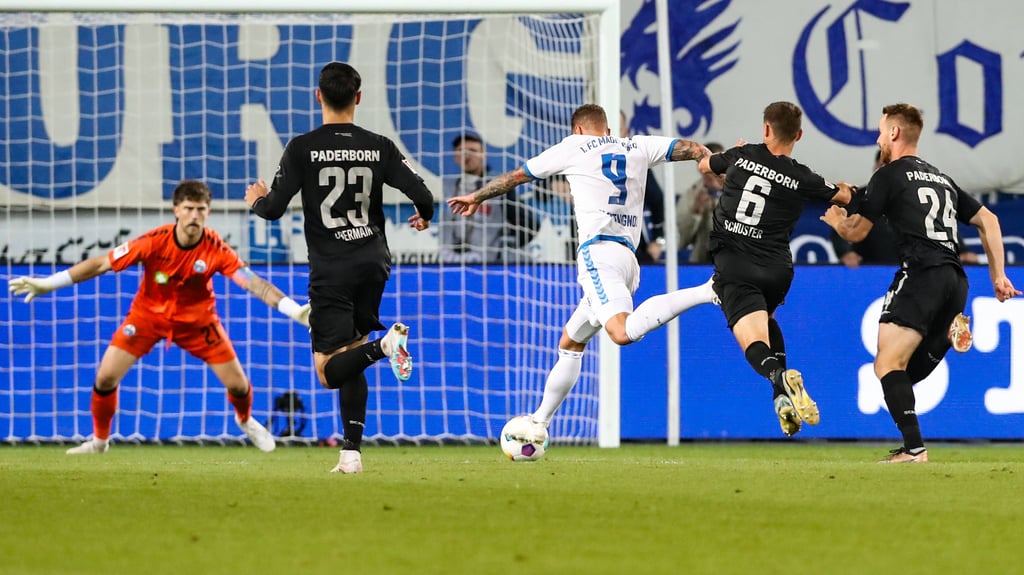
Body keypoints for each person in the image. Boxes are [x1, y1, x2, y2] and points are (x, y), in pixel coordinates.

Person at [448, 104, 717, 436]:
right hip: (628, 261)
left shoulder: (572, 147)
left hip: (599, 255)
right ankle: (539, 423)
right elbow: (691, 148)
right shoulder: (638, 145)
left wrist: (476, 195)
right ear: (607, 129)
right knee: (571, 342)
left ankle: (707, 290)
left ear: (577, 130)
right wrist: (708, 160)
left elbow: (515, 177)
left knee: (620, 332)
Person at [8, 180, 310, 454]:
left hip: (199, 322)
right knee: (105, 377)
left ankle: (245, 421)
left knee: (239, 386)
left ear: (208, 212)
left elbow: (254, 283)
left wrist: (293, 309)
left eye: (201, 210)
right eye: (189, 209)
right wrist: (50, 282)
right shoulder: (154, 241)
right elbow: (101, 264)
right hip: (147, 317)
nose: (194, 216)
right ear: (176, 210)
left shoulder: (216, 248)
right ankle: (100, 442)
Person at [245, 61, 435, 474]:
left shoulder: (302, 147)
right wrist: (424, 216)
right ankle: (351, 454)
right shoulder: (378, 145)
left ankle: (385, 346)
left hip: (332, 268)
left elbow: (274, 210)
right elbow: (423, 194)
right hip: (373, 262)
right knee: (352, 354)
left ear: (319, 96)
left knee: (329, 371)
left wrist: (256, 200)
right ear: (359, 98)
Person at [821, 103, 1020, 463]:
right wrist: (998, 275)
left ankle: (914, 450)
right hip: (956, 279)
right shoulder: (941, 178)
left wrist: (836, 221)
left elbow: (857, 231)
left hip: (921, 273)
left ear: (895, 133)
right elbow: (988, 219)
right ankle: (944, 337)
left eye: (882, 130)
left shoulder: (888, 174)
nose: (880, 137)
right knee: (898, 371)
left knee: (886, 366)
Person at [698, 101, 855, 437]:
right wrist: (844, 190)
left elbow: (704, 165)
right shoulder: (803, 177)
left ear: (766, 128)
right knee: (765, 323)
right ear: (798, 135)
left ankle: (780, 378)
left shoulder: (743, 155)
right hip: (777, 270)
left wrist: (730, 157)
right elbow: (843, 196)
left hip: (734, 262)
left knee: (752, 340)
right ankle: (780, 396)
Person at [441, 132, 538, 264]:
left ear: (483, 155)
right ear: (455, 156)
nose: (466, 156)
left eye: (472, 151)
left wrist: (504, 246)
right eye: (461, 151)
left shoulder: (499, 186)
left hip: (488, 265)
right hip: (451, 262)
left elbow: (530, 225)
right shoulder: (448, 186)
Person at [620, 111, 666, 264]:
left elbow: (657, 199)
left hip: (637, 249)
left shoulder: (637, 163)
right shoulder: (590, 162)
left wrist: (659, 239)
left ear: (626, 132)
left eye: (619, 129)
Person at [676, 141, 725, 263]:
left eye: (717, 164)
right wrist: (695, 213)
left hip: (732, 261)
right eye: (708, 164)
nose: (712, 170)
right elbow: (680, 241)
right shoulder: (691, 195)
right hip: (701, 263)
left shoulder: (739, 191)